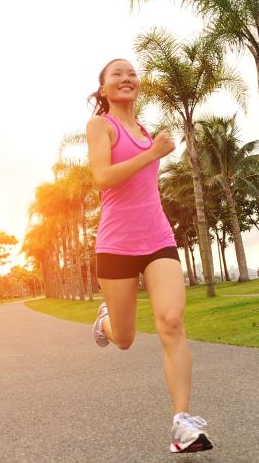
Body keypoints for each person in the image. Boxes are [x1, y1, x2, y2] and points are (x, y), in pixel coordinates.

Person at [85, 58, 213, 454]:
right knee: (123, 339)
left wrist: (153, 147)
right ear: (103, 89)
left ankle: (182, 424)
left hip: (157, 238)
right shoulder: (100, 126)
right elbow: (103, 178)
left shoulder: (144, 131)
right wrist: (153, 152)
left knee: (171, 322)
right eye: (116, 75)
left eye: (131, 73)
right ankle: (105, 321)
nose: (126, 78)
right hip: (115, 245)